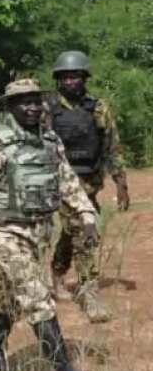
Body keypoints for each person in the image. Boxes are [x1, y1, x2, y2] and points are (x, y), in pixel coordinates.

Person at [0, 79, 93, 371]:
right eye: (24, 102)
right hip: (5, 233)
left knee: (8, 298)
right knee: (37, 297)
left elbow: (68, 182)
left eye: (36, 101)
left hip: (41, 234)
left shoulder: (49, 140)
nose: (33, 107)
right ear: (10, 106)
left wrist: (86, 216)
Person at [46, 50, 128, 322]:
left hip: (90, 181)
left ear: (84, 78)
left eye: (76, 76)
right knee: (84, 229)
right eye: (66, 77)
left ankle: (57, 272)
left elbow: (112, 146)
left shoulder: (98, 108)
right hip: (60, 181)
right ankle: (88, 289)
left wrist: (121, 183)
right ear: (59, 80)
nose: (71, 82)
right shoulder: (47, 109)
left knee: (73, 231)